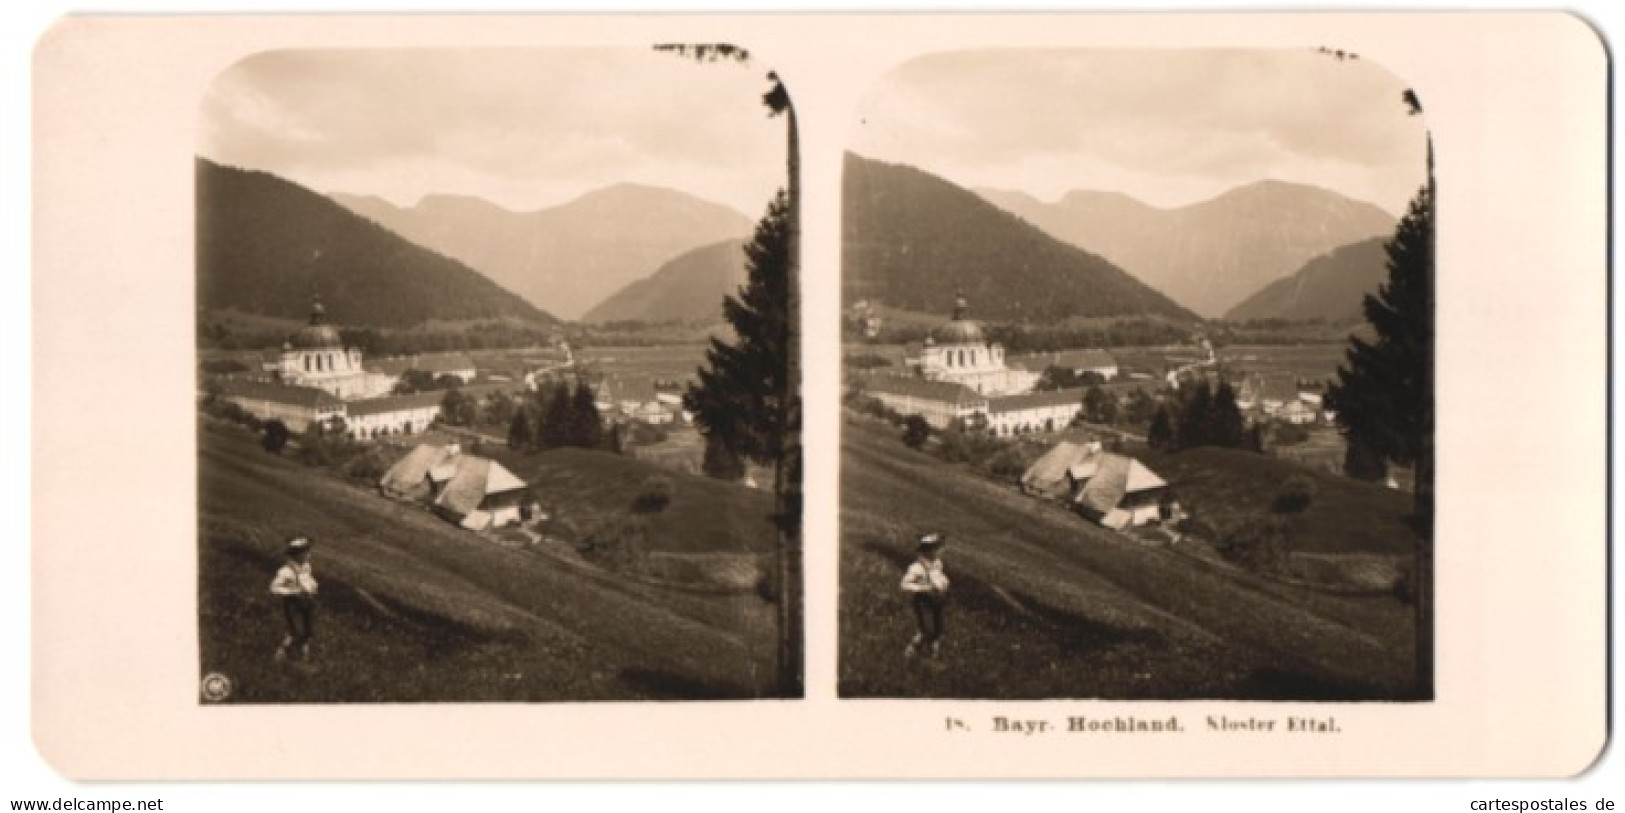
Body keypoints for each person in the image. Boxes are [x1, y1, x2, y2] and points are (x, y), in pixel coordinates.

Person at [270, 536, 319, 665]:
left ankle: (304, 658)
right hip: (293, 604)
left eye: (308, 551)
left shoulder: (306, 567)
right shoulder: (286, 571)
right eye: (306, 552)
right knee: (296, 631)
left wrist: (313, 585)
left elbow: (308, 579)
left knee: (308, 631)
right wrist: (292, 592)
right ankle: (281, 655)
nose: (309, 555)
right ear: (297, 555)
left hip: (307, 602)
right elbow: (274, 588)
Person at [900, 532, 950, 659]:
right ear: (928, 551)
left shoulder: (937, 563)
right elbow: (904, 585)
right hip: (923, 601)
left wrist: (944, 582)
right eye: (939, 548)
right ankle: (909, 651)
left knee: (938, 629)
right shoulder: (916, 568)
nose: (942, 550)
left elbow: (938, 576)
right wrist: (923, 588)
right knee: (926, 630)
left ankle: (934, 655)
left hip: (937, 600)